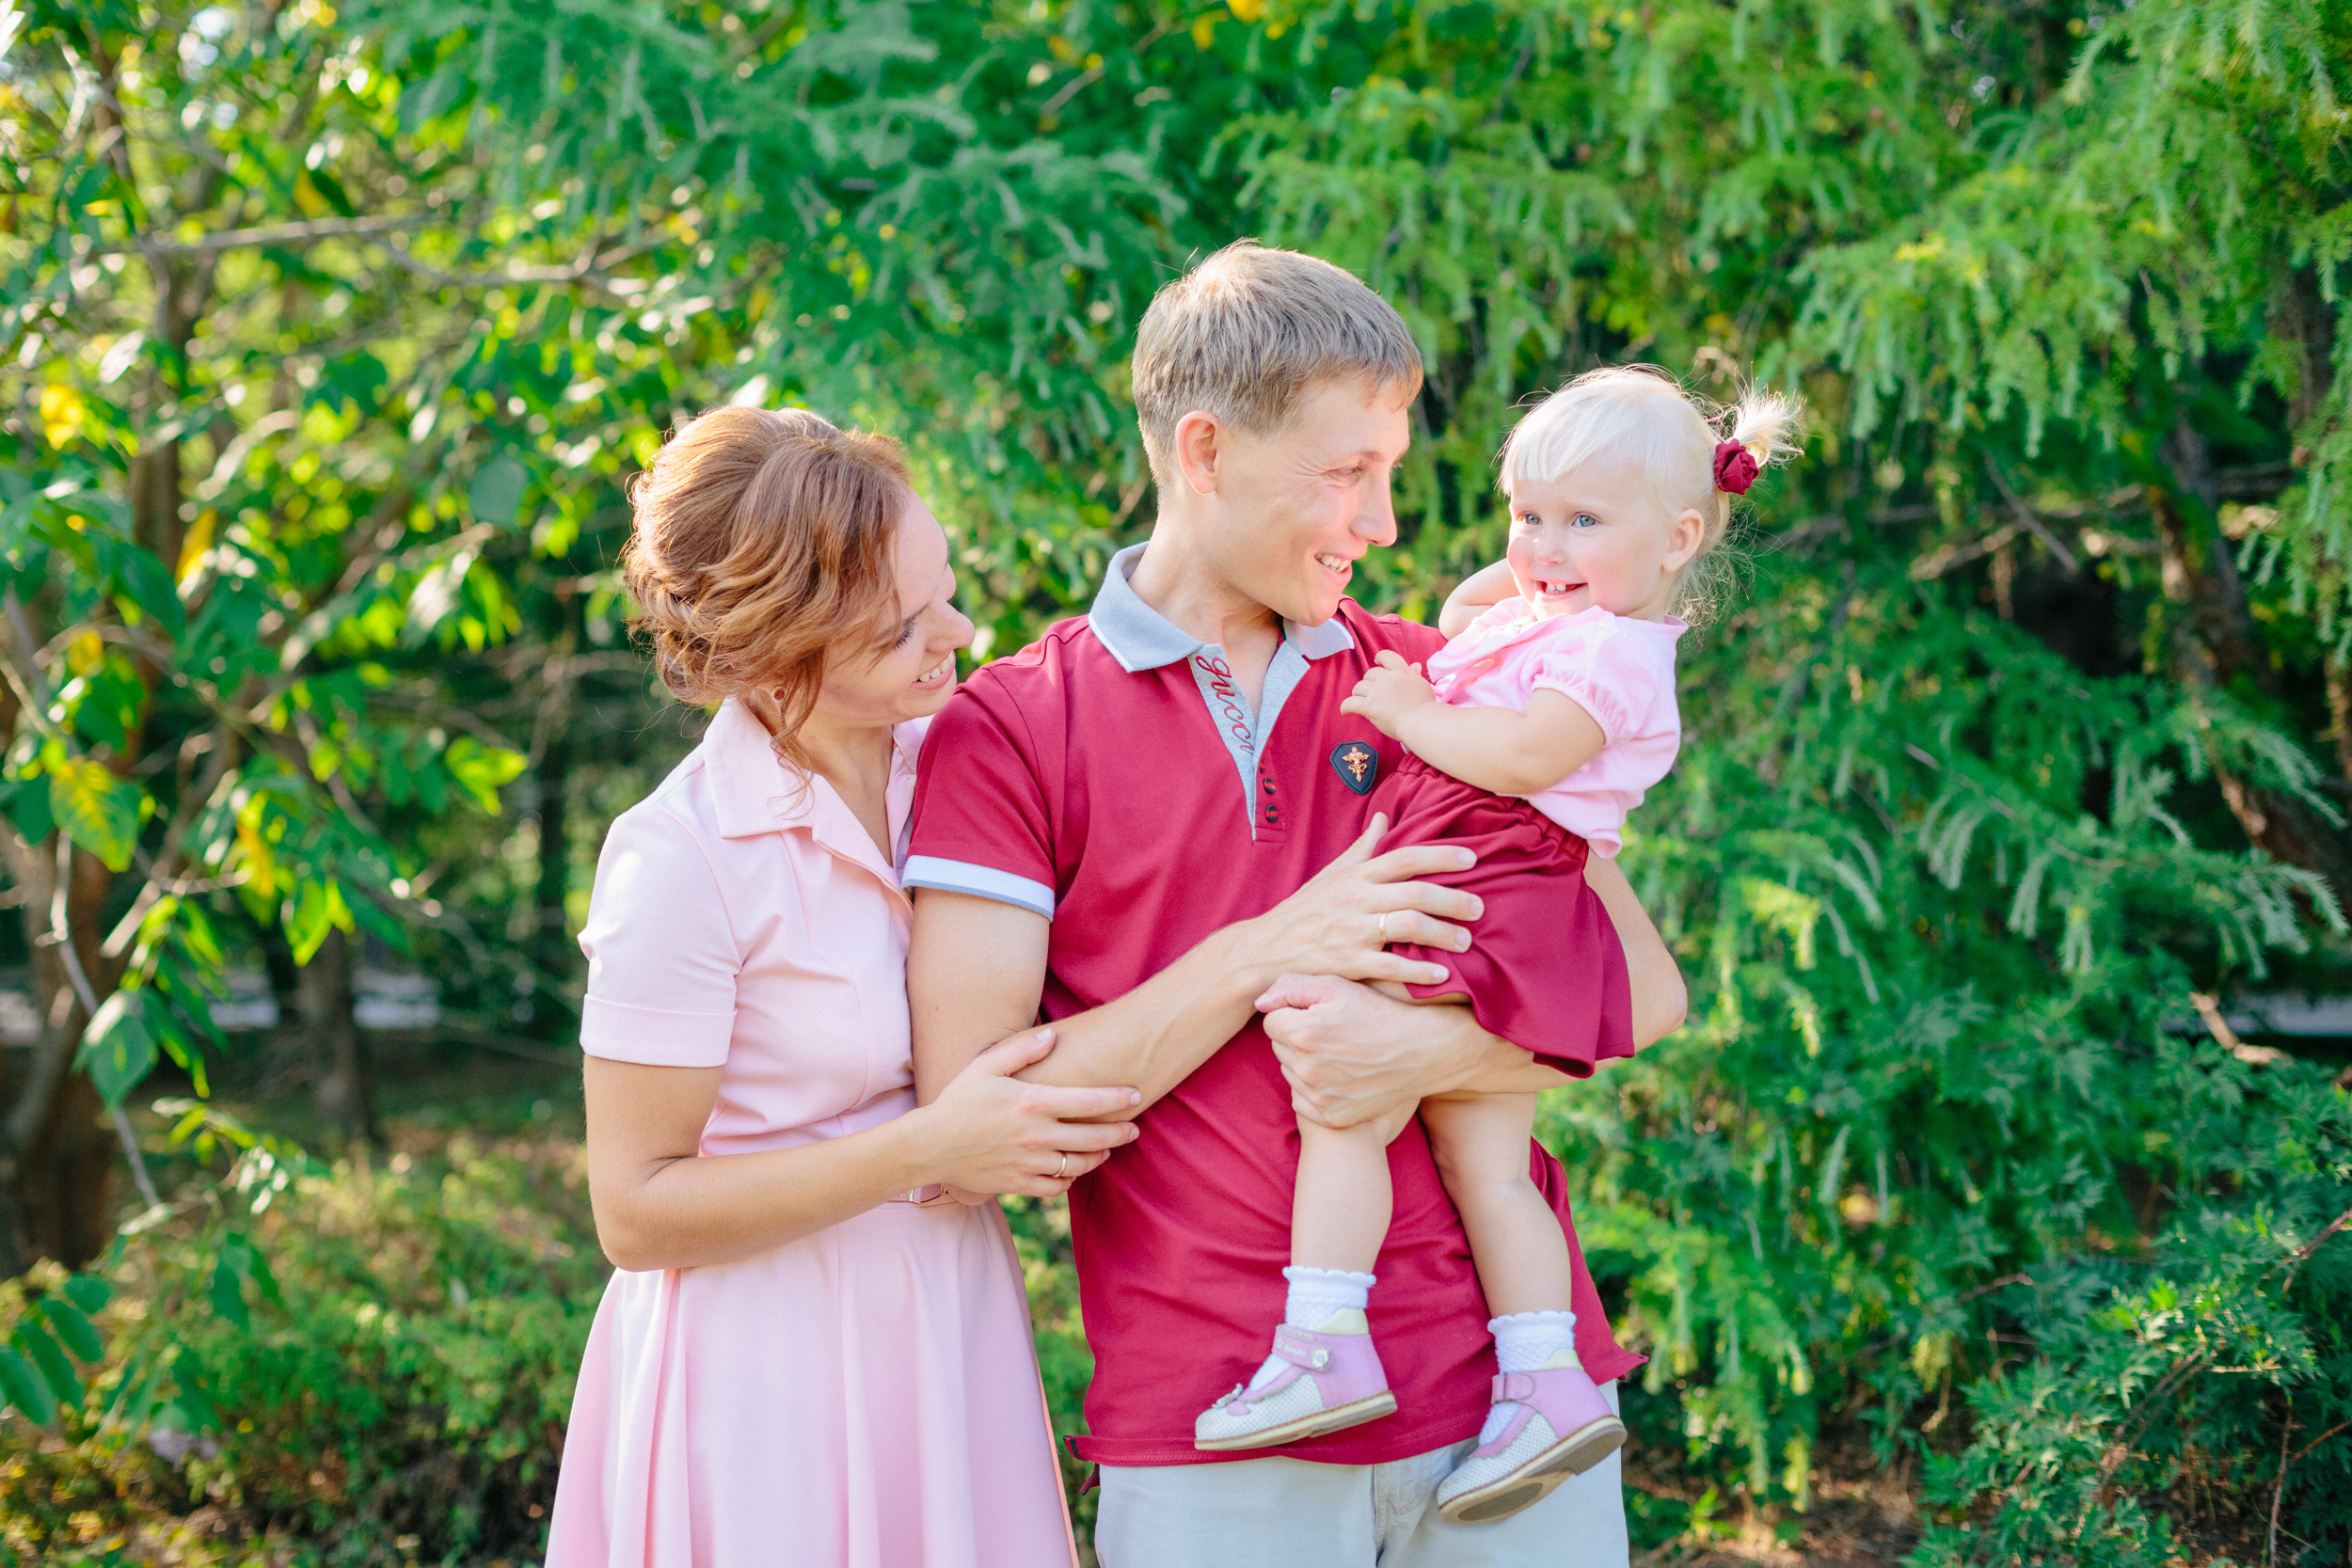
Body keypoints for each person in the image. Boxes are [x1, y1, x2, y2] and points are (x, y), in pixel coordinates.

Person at [904, 242, 1690, 1567]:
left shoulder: (1437, 687)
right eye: (1348, 473)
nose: (1382, 524)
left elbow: (1646, 987)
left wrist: (1427, 1050)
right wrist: (1272, 946)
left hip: (1512, 1412)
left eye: (1388, 471)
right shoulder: (1013, 730)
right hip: (1213, 1433)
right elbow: (969, 1130)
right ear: (1203, 453)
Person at [1197, 366, 1802, 1527]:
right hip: (1507, 880)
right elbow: (1479, 615)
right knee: (1487, 1157)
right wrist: (1533, 571)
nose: (1544, 545)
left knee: (1345, 1089)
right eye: (1528, 513)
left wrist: (1414, 712)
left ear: (1680, 537)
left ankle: (1323, 1336)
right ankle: (1543, 1380)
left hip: (1485, 871)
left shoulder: (1614, 654)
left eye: (1583, 520)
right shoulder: (1569, 623)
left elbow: (1525, 758)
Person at [546, 406, 1139, 1568]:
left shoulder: (981, 763)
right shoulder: (681, 855)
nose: (958, 632)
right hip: (765, 1376)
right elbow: (633, 1209)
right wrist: (929, 1146)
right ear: (777, 650)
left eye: (947, 587)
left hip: (945, 1325)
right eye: (901, 628)